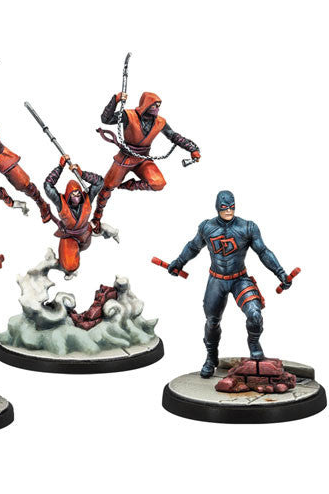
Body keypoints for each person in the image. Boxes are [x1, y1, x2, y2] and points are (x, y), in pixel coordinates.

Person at [167, 190, 292, 378]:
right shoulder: (206, 227)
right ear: (217, 207)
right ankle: (211, 357)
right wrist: (179, 262)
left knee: (255, 314)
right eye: (224, 207)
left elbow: (263, 252)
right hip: (217, 279)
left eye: (231, 207)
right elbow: (193, 246)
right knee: (212, 321)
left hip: (239, 278)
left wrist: (280, 272)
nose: (228, 211)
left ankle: (254, 344)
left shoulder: (247, 227)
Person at [92, 92, 200, 232]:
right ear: (146, 104)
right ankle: (96, 219)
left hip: (143, 159)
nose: (157, 108)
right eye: (154, 105)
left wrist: (192, 149)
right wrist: (115, 100)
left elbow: (174, 136)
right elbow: (106, 119)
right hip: (125, 157)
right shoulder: (129, 115)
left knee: (158, 183)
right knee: (106, 188)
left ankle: (128, 185)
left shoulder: (160, 122)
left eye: (159, 105)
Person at [44, 155, 104, 276]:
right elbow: (48, 186)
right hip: (69, 236)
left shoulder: (87, 198)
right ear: (68, 195)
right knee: (70, 266)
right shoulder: (61, 202)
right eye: (73, 194)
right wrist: (60, 167)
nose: (76, 197)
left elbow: (100, 182)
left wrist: (82, 174)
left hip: (85, 234)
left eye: (78, 194)